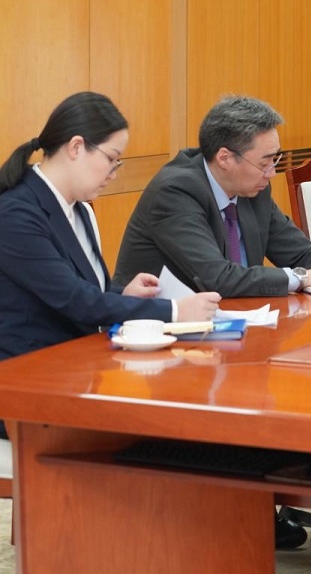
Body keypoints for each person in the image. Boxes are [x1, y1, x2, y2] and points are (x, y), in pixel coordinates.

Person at [0, 92, 220, 417]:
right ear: (76, 147)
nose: (113, 173)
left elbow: (82, 291)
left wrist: (121, 294)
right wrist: (175, 310)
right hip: (27, 383)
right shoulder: (16, 214)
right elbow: (74, 299)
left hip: (78, 369)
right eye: (111, 159)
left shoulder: (80, 209)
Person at [115, 96, 311, 297]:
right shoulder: (176, 191)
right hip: (158, 331)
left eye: (275, 160)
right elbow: (217, 277)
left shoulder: (253, 187)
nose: (271, 173)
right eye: (264, 163)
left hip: (237, 320)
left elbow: (301, 252)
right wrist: (303, 277)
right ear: (225, 158)